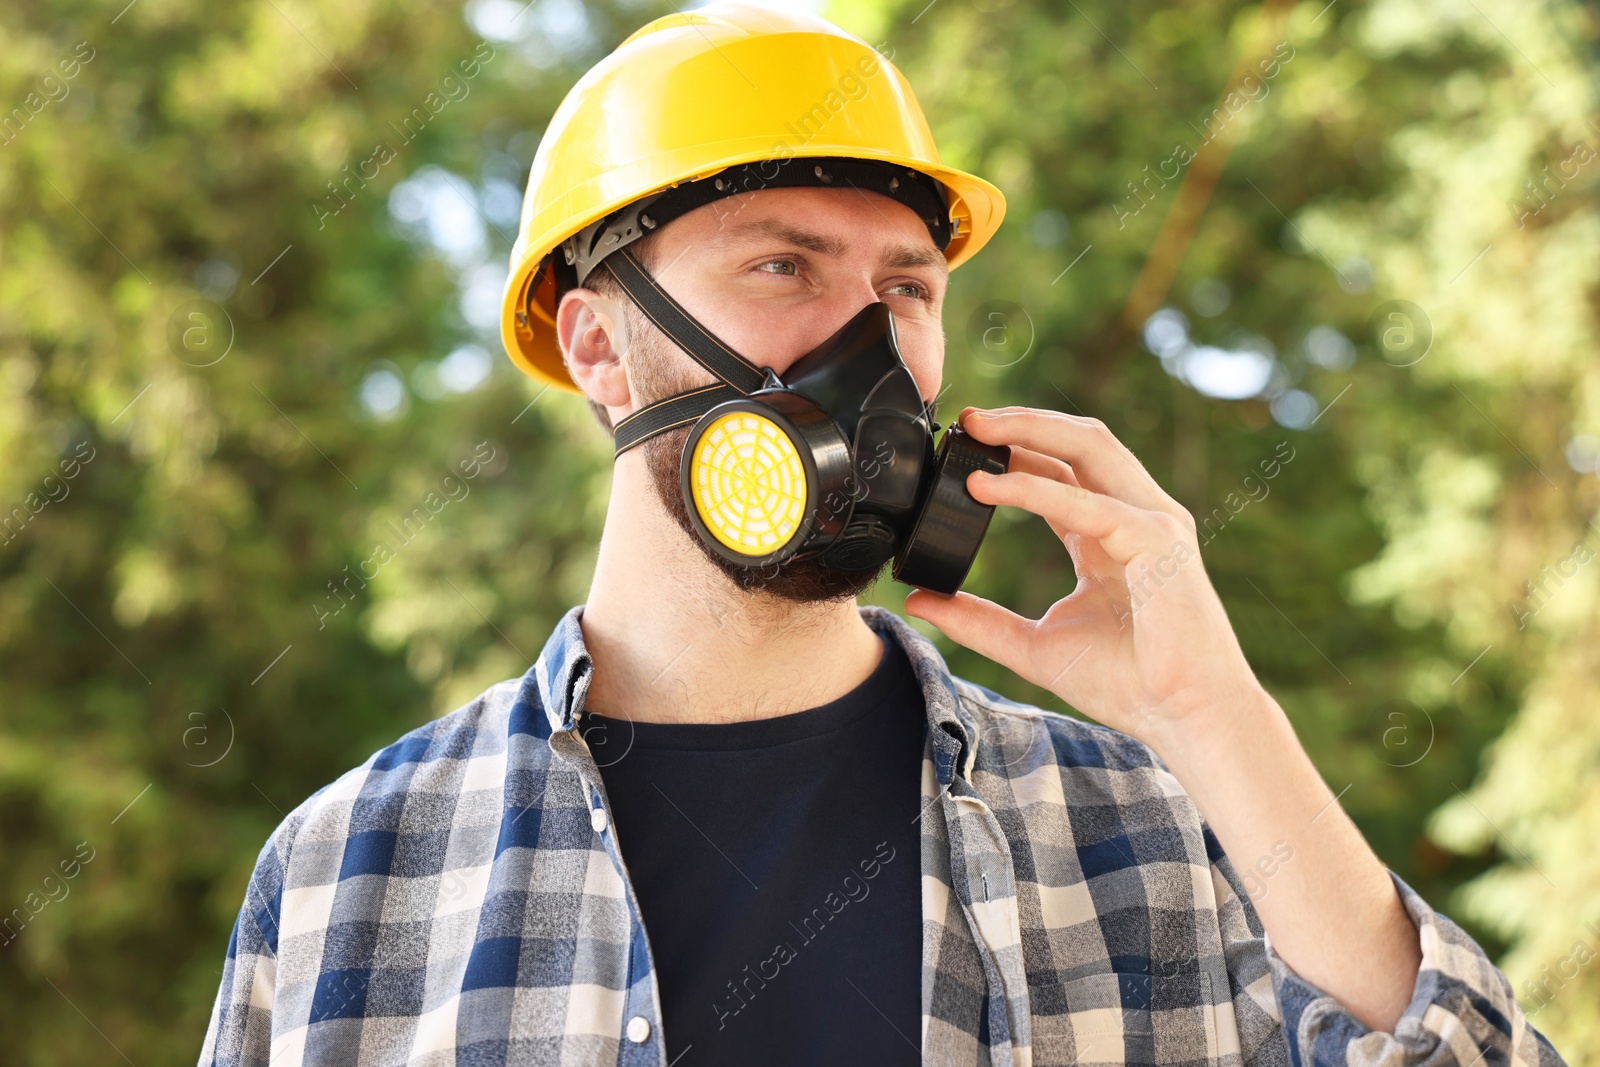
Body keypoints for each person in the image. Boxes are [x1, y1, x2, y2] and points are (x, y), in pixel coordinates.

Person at [199, 5, 1566, 1066]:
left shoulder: (1139, 832)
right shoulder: (355, 873)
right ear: (603, 350)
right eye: (781, 264)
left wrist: (1217, 723)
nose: (868, 346)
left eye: (905, 287)